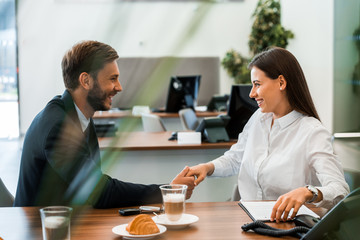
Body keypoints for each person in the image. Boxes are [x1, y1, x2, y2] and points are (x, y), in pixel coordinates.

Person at [14, 40, 195, 208]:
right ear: (86, 81)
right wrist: (167, 191)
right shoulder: (58, 126)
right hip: (40, 229)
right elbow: (98, 192)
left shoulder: (78, 115)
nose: (119, 87)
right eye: (112, 79)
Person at [185, 47, 349, 222]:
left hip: (288, 226)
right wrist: (207, 167)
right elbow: (236, 158)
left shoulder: (312, 132)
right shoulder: (259, 118)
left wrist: (308, 192)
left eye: (257, 84)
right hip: (248, 220)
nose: (251, 93)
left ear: (281, 83)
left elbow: (340, 189)